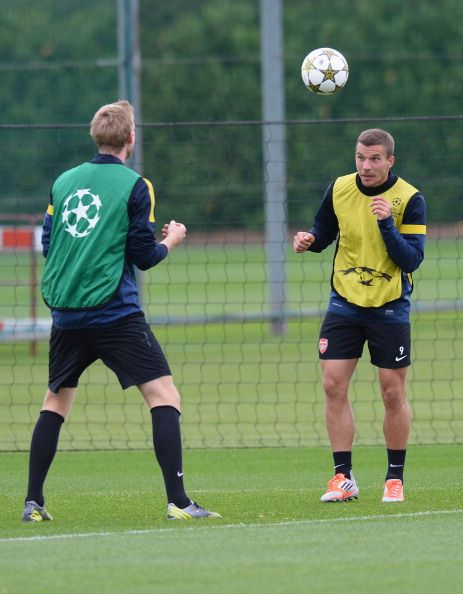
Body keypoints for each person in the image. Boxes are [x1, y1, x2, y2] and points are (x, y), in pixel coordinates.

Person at [22, 100, 220, 522]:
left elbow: (49, 243)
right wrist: (174, 239)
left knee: (55, 402)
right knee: (164, 396)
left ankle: (33, 503)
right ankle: (179, 503)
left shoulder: (64, 182)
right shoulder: (136, 186)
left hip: (67, 314)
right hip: (115, 314)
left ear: (96, 136)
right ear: (131, 139)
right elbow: (144, 256)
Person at [293, 128, 426, 503]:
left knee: (392, 393)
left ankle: (394, 479)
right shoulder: (339, 188)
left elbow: (412, 259)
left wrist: (386, 223)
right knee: (333, 385)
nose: (365, 166)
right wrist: (310, 240)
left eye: (374, 159)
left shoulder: (409, 198)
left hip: (389, 306)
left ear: (389, 161)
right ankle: (342, 477)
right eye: (360, 158)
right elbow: (324, 230)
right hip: (344, 303)